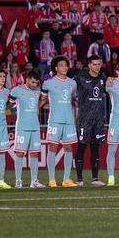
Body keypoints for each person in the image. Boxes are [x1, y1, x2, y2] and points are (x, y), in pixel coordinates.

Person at [43, 56, 79, 188]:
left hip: (69, 120)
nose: (64, 67)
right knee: (52, 147)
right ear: (56, 68)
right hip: (55, 120)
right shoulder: (49, 83)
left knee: (68, 148)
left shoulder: (72, 83)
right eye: (62, 65)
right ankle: (51, 179)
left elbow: (74, 98)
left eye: (66, 65)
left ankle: (66, 179)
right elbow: (43, 98)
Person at [73, 55, 109, 186]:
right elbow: (68, 86)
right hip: (84, 119)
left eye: (99, 64)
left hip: (98, 119)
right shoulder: (80, 78)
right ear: (89, 65)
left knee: (95, 148)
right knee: (82, 147)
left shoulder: (103, 78)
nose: (97, 67)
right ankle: (79, 179)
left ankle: (95, 178)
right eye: (94, 64)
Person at [10, 71, 46, 188]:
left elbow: (43, 99)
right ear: (27, 79)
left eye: (36, 82)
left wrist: (37, 107)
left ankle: (34, 181)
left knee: (34, 154)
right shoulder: (17, 90)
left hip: (35, 127)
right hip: (22, 127)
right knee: (20, 153)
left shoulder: (37, 91)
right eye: (33, 82)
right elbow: (9, 103)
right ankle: (18, 181)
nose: (35, 84)